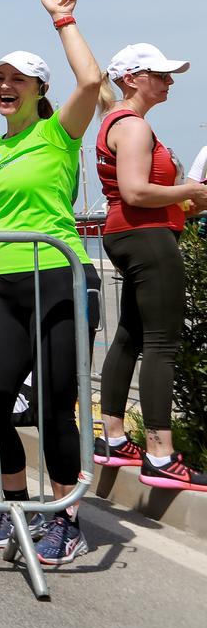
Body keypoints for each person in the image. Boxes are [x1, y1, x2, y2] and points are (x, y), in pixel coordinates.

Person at [0, 0, 104, 565]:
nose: (4, 86)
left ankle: (65, 515)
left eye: (16, 78)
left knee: (51, 406)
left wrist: (62, 17)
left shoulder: (57, 133)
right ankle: (16, 503)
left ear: (39, 87)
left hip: (64, 280)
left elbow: (92, 79)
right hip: (10, 288)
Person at [93, 43, 207, 489]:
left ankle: (115, 438)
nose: (169, 82)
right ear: (131, 78)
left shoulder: (116, 122)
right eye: (159, 74)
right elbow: (136, 191)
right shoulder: (133, 126)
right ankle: (161, 454)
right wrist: (190, 192)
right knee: (162, 343)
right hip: (147, 237)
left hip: (131, 234)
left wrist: (187, 200)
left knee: (131, 335)